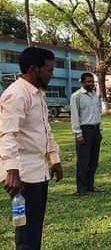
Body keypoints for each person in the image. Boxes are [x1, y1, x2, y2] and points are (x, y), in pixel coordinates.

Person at [0, 47, 63, 249]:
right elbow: (7, 133)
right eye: (49, 70)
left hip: (38, 172)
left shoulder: (37, 94)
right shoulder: (17, 94)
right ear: (33, 69)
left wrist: (54, 159)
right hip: (23, 175)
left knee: (34, 228)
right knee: (26, 233)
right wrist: (12, 171)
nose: (52, 75)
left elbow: (45, 130)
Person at [70, 72, 102, 196]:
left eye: (92, 81)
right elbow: (75, 116)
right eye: (88, 81)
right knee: (83, 161)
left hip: (96, 130)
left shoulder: (95, 95)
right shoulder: (76, 96)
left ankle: (90, 185)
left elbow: (98, 113)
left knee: (94, 161)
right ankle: (81, 188)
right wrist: (78, 134)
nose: (91, 84)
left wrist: (100, 130)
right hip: (84, 130)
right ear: (82, 82)